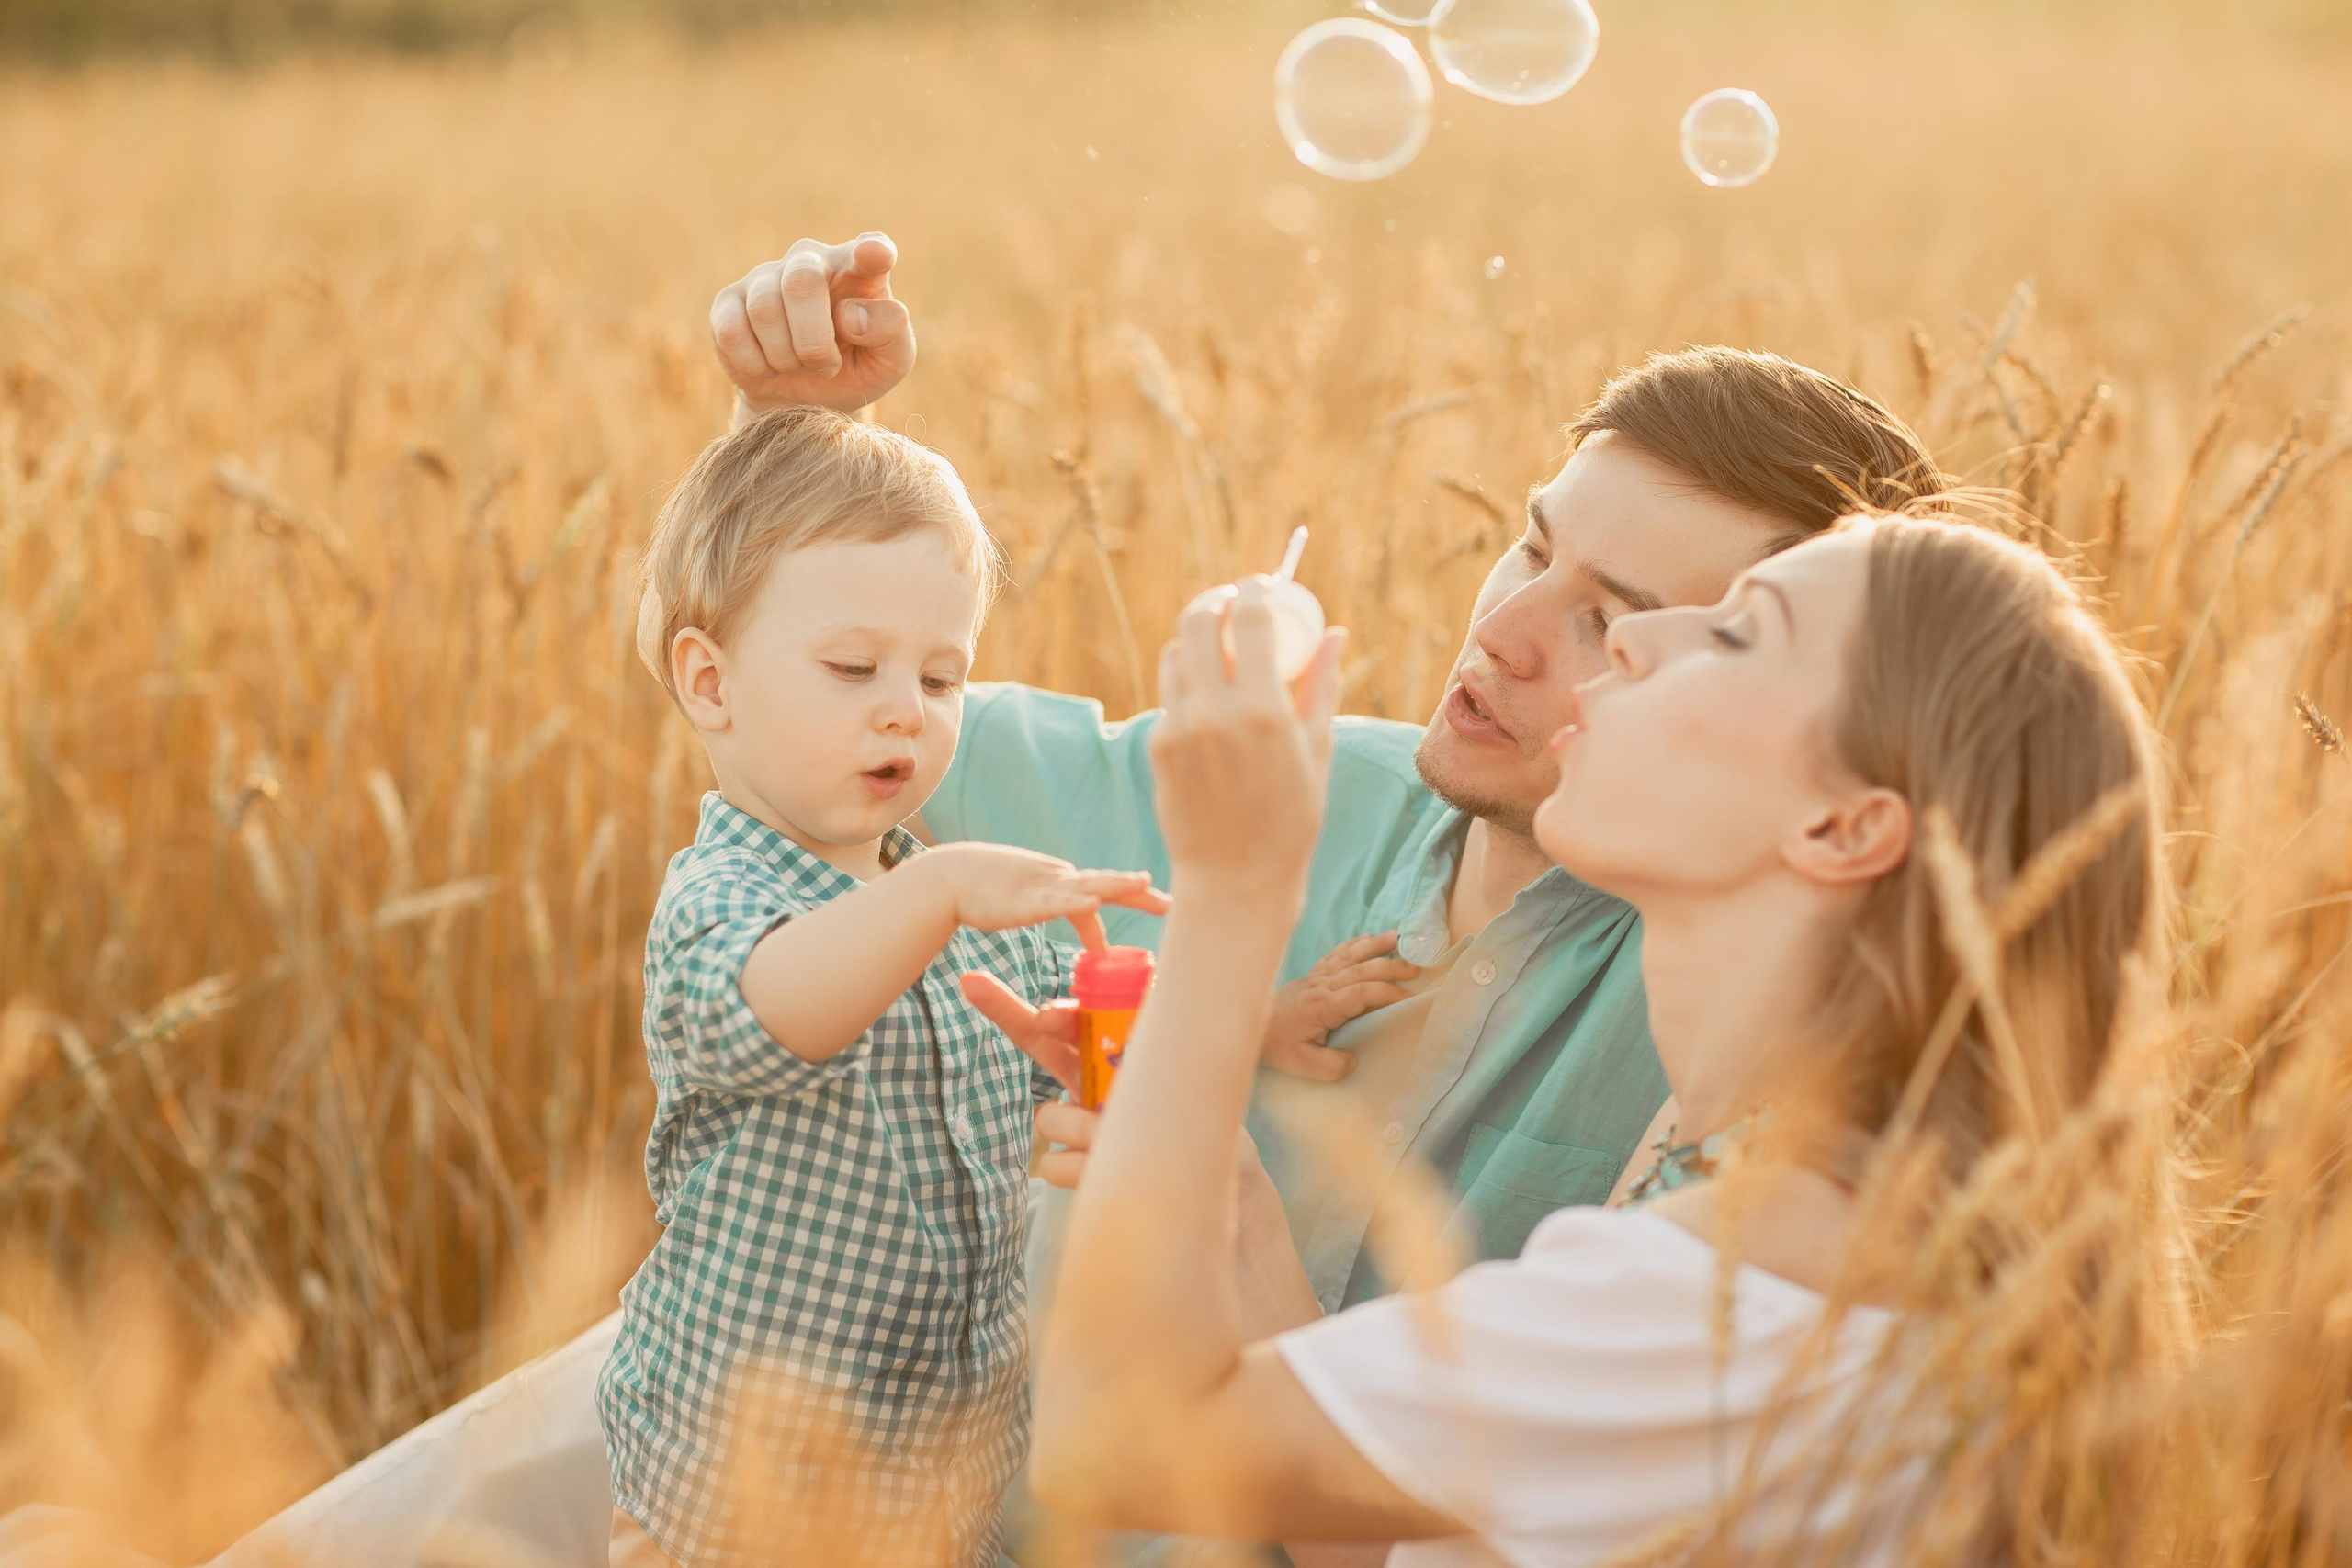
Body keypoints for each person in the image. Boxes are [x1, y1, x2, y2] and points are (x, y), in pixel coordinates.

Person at [1012, 516, 2169, 1565]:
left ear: (1841, 826)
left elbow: (1112, 1452)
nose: (1634, 643)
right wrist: (1232, 1217)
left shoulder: (1725, 1306)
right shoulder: (1809, 1228)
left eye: (1735, 633)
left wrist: (1233, 882)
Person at [599, 404, 1175, 1568]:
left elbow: (1072, 1031)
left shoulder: (940, 901)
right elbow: (776, 1015)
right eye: (853, 667)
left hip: (930, 1473)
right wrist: (941, 892)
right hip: (739, 1488)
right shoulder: (725, 900)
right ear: (709, 684)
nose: (906, 706)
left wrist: (1224, 1019)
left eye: (944, 675)